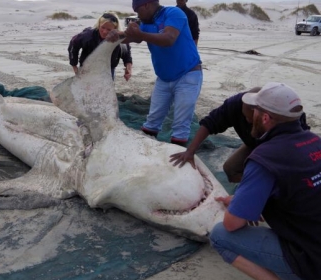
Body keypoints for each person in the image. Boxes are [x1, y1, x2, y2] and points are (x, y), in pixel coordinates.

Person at [210, 82, 321, 280]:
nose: (250, 116)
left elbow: (232, 224)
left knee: (219, 235)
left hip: (311, 259)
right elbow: (303, 190)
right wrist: (244, 201)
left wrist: (238, 207)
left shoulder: (265, 158)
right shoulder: (315, 141)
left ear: (266, 117)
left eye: (254, 111)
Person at [107, 0, 202, 146]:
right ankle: (146, 152)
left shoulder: (174, 13)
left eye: (138, 10)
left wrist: (141, 34)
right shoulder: (145, 22)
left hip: (188, 75)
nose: (137, 15)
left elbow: (169, 39)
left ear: (146, 5)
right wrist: (116, 35)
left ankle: (175, 161)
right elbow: (129, 36)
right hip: (163, 78)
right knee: (152, 121)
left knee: (180, 125)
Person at [169, 87, 310, 183]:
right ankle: (249, 189)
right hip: (253, 143)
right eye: (245, 118)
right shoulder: (235, 104)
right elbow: (209, 123)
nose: (248, 122)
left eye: (252, 120)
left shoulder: (287, 114)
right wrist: (190, 151)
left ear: (265, 115)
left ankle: (265, 194)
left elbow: (301, 145)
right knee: (230, 169)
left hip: (283, 150)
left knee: (279, 178)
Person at [68, 12, 133, 81]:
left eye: (109, 29)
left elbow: (126, 54)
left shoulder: (120, 39)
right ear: (99, 25)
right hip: (87, 69)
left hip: (108, 69)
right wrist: (74, 66)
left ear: (115, 29)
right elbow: (73, 44)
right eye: (102, 27)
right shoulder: (88, 36)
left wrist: (128, 68)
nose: (104, 32)